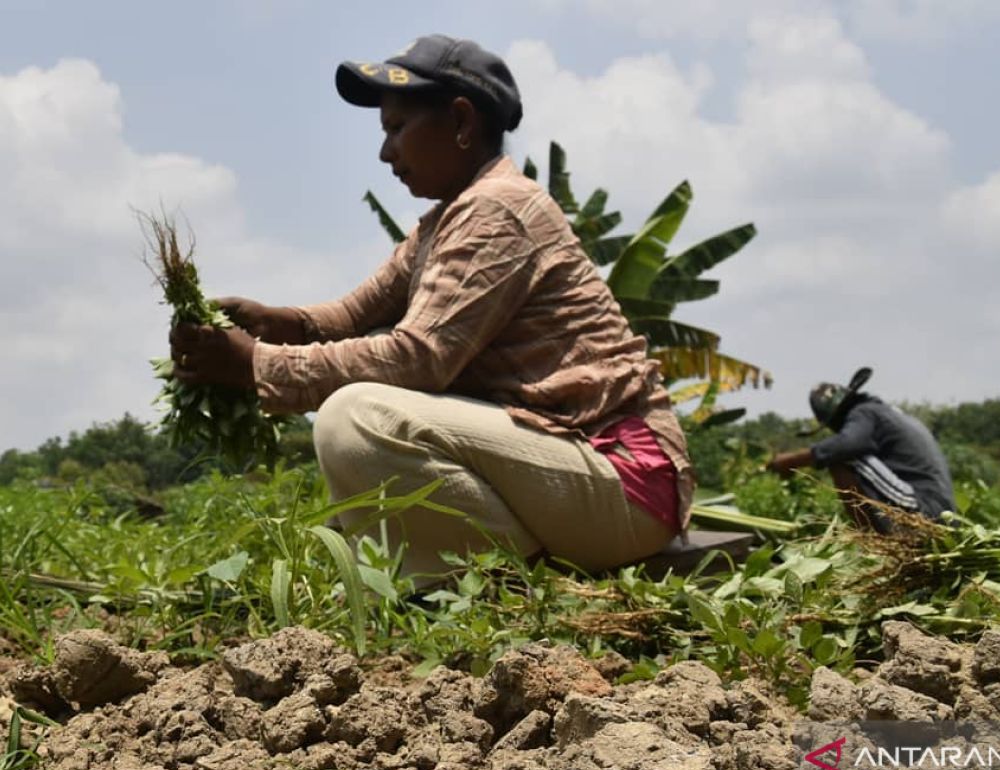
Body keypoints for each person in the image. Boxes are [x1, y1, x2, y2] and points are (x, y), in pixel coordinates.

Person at [169, 35, 694, 580]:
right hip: (574, 472)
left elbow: (419, 358)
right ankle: (486, 571)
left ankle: (511, 577)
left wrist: (256, 365)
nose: (385, 153)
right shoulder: (443, 224)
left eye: (396, 129)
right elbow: (352, 315)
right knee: (359, 427)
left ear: (462, 123)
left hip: (621, 478)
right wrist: (278, 324)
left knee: (356, 420)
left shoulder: (497, 210)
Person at [768, 368, 955, 532]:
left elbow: (844, 445)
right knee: (842, 452)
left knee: (840, 458)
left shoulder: (864, 413)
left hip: (925, 506)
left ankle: (870, 539)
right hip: (942, 511)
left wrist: (789, 461)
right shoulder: (884, 412)